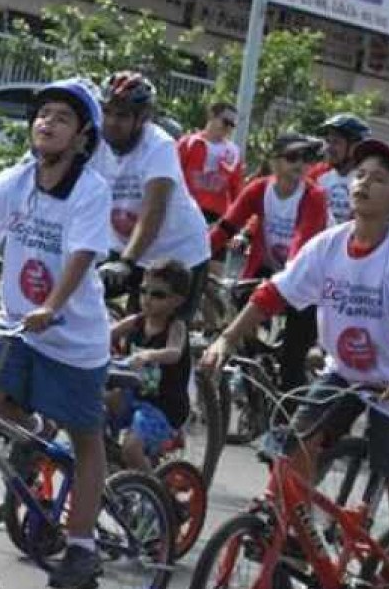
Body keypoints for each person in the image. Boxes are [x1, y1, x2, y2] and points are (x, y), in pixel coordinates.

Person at [201, 139, 389, 589]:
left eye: (381, 178)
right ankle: (293, 535)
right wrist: (225, 340)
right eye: (361, 174)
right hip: (344, 371)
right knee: (294, 448)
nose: (365, 183)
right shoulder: (328, 244)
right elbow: (274, 294)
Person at [0, 78, 112, 589]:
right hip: (17, 326)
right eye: (43, 115)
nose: (47, 123)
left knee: (87, 440)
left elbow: (82, 257)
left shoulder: (90, 190)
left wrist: (52, 306)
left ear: (82, 135)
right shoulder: (14, 181)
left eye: (62, 117)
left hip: (73, 337)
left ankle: (82, 544)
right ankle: (37, 434)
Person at [207, 132, 330, 391]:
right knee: (240, 311)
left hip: (305, 279)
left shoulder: (314, 195)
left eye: (306, 158)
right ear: (274, 162)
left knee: (291, 364)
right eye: (292, 156)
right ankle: (252, 377)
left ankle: (289, 419)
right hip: (267, 269)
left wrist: (285, 279)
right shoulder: (259, 189)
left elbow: (302, 242)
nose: (300, 164)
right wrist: (197, 256)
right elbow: (227, 227)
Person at [92, 71, 211, 318]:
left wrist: (126, 262)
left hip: (177, 252)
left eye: (122, 115)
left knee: (153, 335)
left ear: (142, 119)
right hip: (123, 244)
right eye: (107, 112)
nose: (112, 122)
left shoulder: (159, 146)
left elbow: (153, 211)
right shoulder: (94, 139)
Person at [107, 261, 193, 472]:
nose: (147, 299)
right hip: (134, 396)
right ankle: (108, 461)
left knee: (131, 448)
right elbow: (107, 333)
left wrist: (150, 355)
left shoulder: (175, 326)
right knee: (93, 408)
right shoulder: (137, 321)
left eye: (158, 295)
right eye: (143, 291)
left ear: (176, 301)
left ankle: (151, 494)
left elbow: (174, 352)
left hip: (163, 407)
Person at [177, 99, 243, 223]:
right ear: (212, 116)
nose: (228, 128)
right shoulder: (188, 143)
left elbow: (236, 189)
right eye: (225, 122)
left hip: (215, 215)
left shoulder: (234, 152)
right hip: (185, 208)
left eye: (232, 125)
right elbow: (173, 175)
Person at [307, 112, 371, 224]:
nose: (329, 148)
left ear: (354, 147)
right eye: (327, 141)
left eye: (336, 142)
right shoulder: (316, 174)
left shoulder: (366, 180)